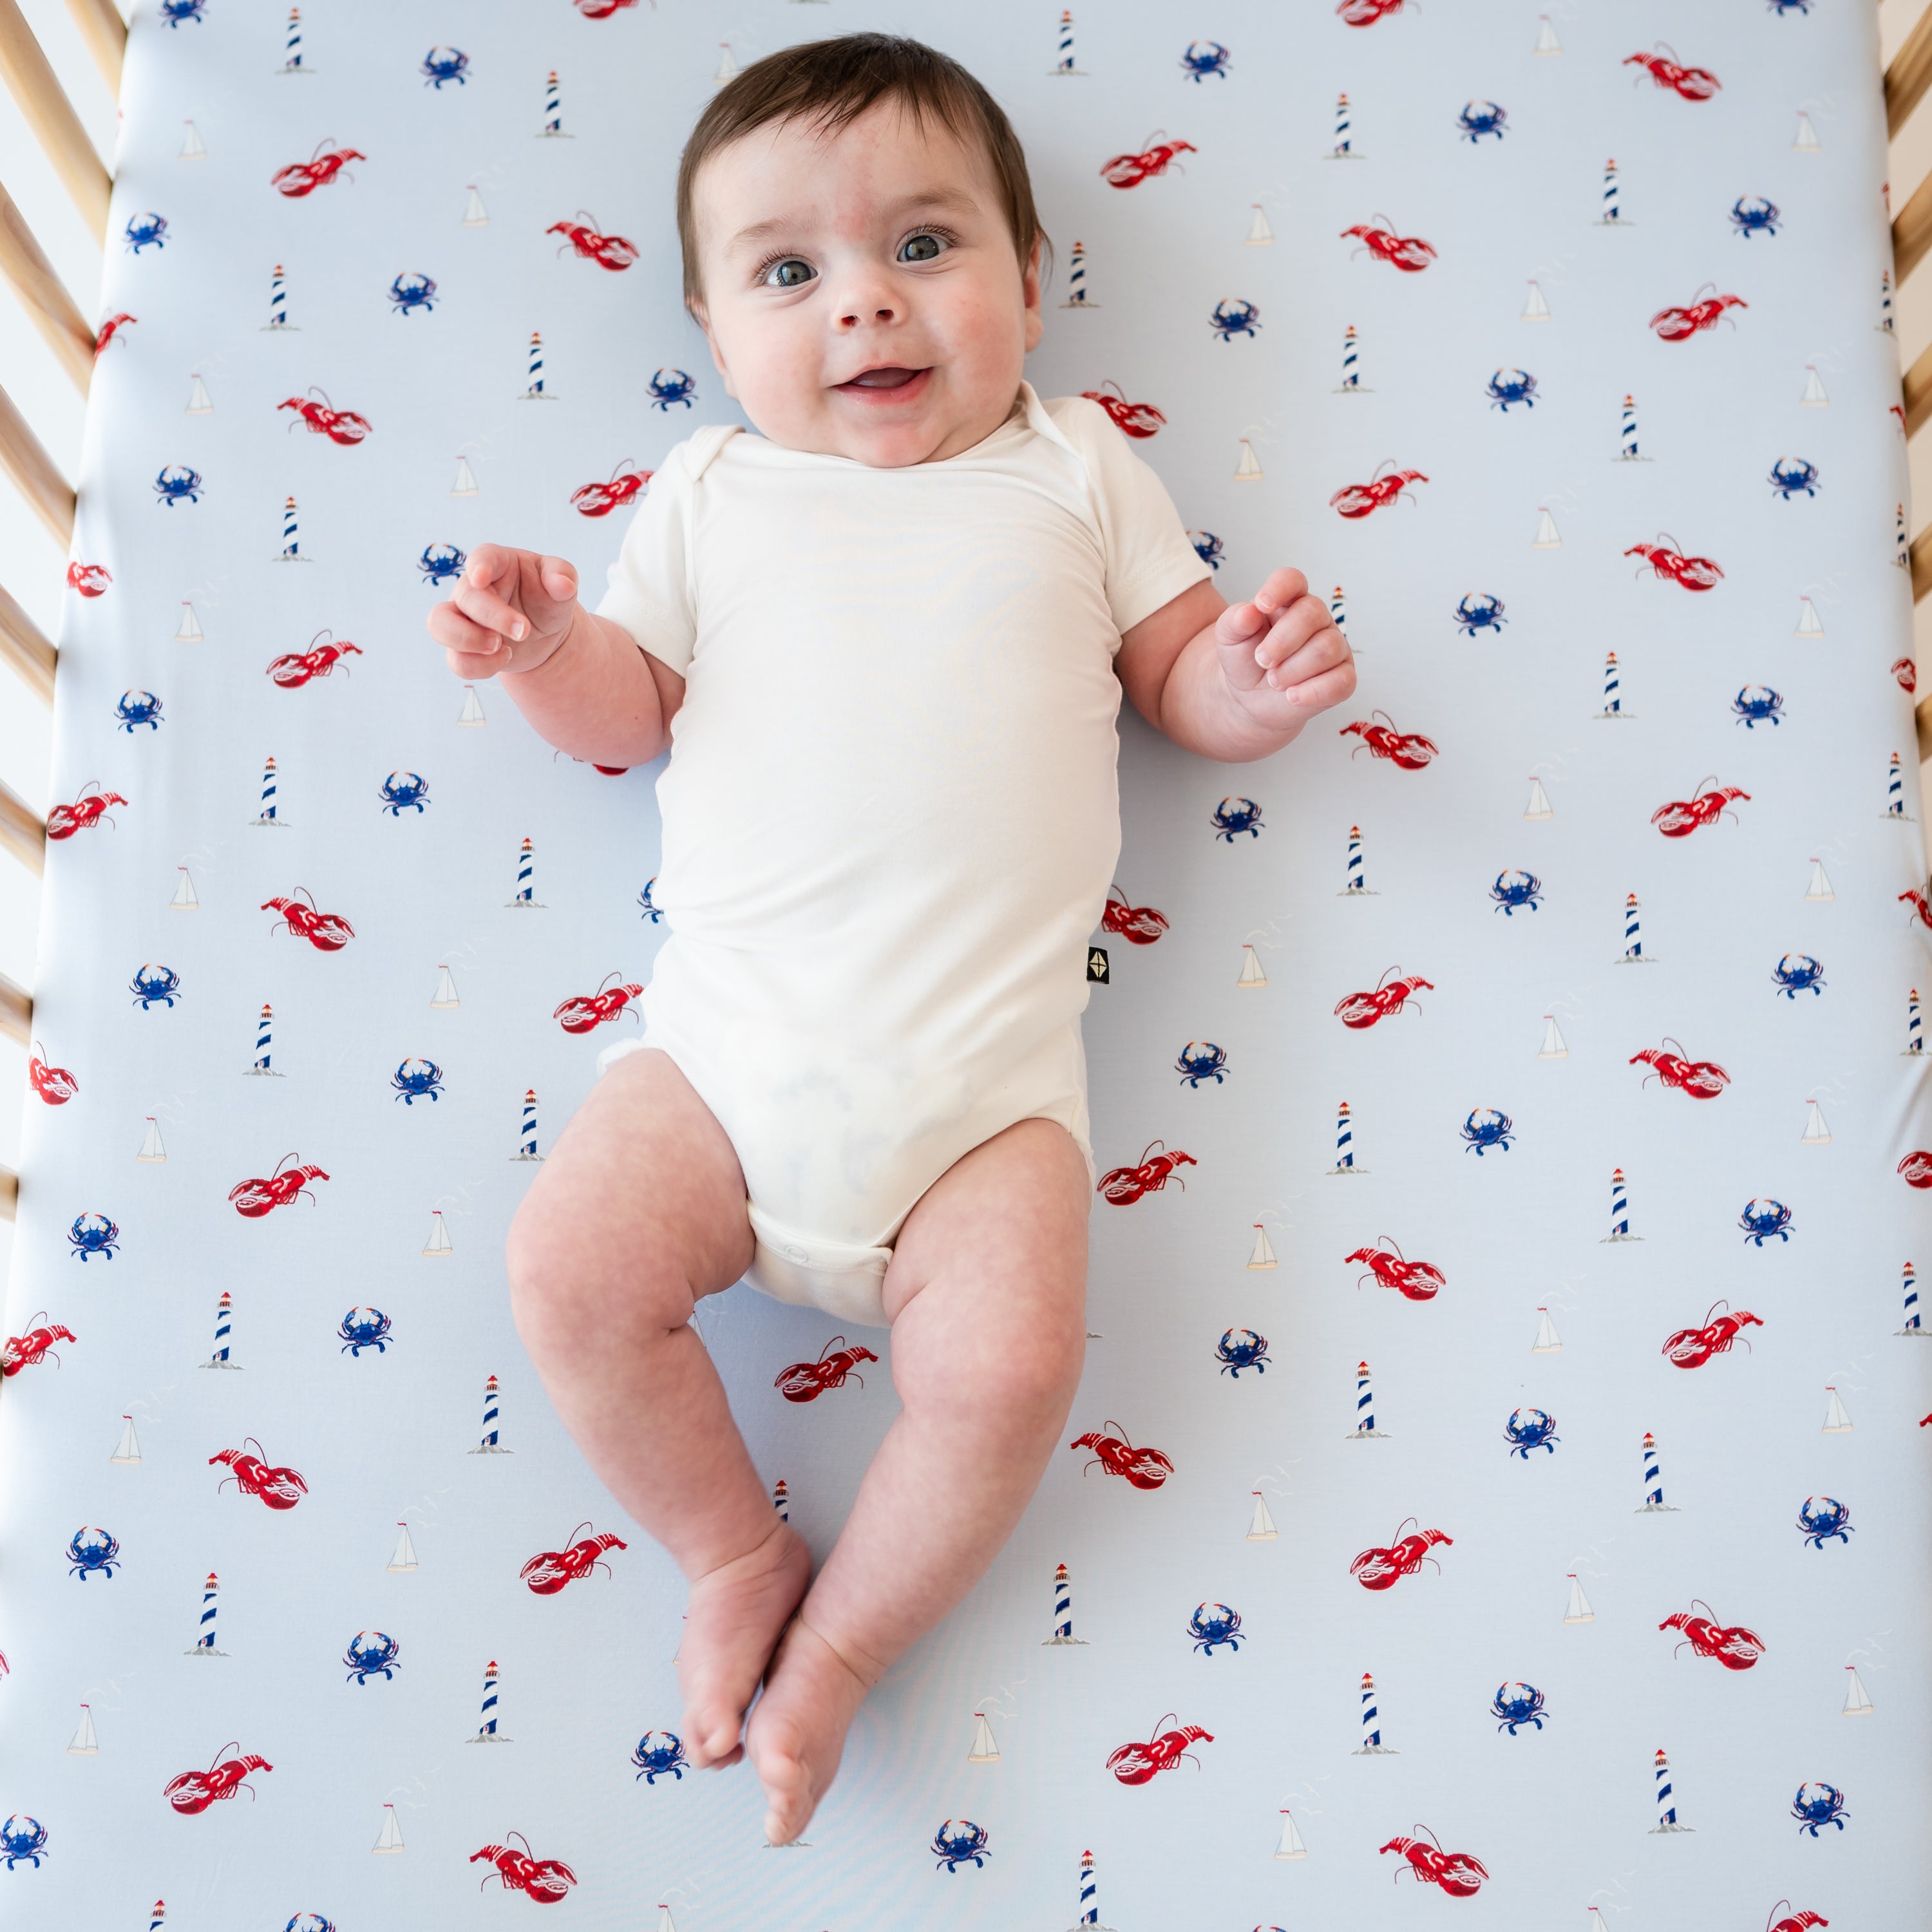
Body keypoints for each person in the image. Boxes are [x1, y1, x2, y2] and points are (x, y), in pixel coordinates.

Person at [426, 30, 1354, 1849]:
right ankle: (728, 1548)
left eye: (924, 247)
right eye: (791, 274)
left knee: (1009, 1372)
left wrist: (1244, 687)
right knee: (565, 1276)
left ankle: (844, 1640)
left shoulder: (1078, 467)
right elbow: (631, 714)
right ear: (713, 332)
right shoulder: (709, 492)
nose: (865, 308)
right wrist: (545, 651)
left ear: (1031, 277)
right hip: (719, 1065)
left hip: (985, 1105)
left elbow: (1171, 671)